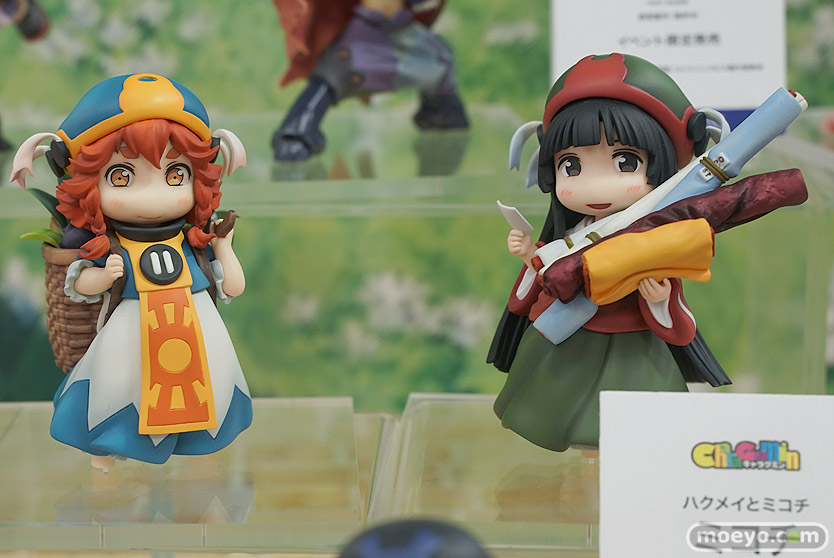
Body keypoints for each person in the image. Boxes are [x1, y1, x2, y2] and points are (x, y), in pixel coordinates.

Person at [487, 53, 807, 452]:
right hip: (564, 341)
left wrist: (659, 299)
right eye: (572, 166)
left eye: (625, 162)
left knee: (635, 432)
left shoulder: (655, 236)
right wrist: (528, 255)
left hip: (631, 349)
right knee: (557, 415)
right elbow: (542, 281)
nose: (597, 187)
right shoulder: (572, 234)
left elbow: (680, 327)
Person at [10, 73, 251, 467]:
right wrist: (104, 276)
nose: (154, 195)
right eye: (121, 176)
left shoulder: (193, 243)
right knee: (119, 388)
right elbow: (81, 283)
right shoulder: (110, 245)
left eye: (176, 175)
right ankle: (106, 447)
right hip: (132, 328)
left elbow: (234, 287)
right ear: (88, 183)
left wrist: (223, 248)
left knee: (205, 382)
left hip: (194, 326)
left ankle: (193, 442)